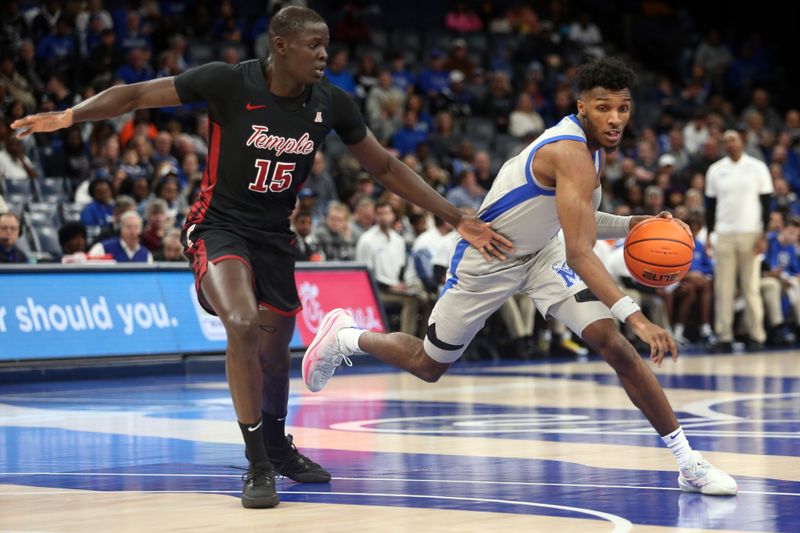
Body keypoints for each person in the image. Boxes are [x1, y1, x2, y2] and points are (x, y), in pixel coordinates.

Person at [11, 5, 510, 509]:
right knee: (242, 323)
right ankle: (257, 464)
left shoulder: (331, 103)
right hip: (217, 227)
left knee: (275, 358)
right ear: (280, 46)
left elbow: (383, 165)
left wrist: (453, 214)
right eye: (313, 45)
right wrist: (71, 115)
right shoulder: (228, 83)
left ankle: (276, 444)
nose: (323, 54)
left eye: (326, 45)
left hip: (274, 238)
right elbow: (138, 94)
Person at [303, 57, 738, 496]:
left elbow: (578, 222)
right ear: (581, 106)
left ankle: (689, 463)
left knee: (615, 346)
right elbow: (582, 251)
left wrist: (636, 224)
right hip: (489, 258)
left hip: (542, 254)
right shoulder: (568, 152)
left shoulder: (593, 151)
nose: (615, 118)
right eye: (604, 107)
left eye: (623, 108)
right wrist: (637, 316)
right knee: (428, 365)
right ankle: (346, 336)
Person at [705, 129, 773, 352]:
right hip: (724, 234)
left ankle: (756, 335)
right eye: (725, 141)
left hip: (751, 233)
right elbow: (710, 206)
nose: (729, 144)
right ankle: (724, 336)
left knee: (750, 287)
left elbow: (766, 204)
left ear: (741, 141)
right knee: (723, 288)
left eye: (733, 140)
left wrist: (764, 234)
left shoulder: (757, 167)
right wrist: (709, 234)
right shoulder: (715, 170)